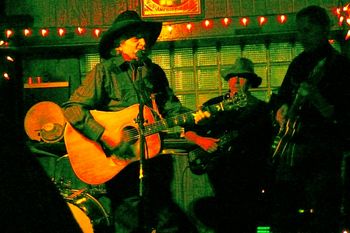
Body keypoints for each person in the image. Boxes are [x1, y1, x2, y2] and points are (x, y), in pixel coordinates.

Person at [62, 10, 198, 233]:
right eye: (136, 38)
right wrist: (105, 135)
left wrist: (196, 116)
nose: (143, 42)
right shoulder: (105, 71)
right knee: (129, 220)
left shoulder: (154, 72)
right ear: (120, 44)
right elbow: (73, 108)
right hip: (119, 158)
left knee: (165, 221)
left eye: (144, 37)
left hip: (152, 159)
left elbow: (170, 107)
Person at [269, 5, 350, 233]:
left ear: (325, 29)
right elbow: (281, 96)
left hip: (323, 153)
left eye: (309, 30)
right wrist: (280, 108)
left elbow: (343, 117)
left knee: (325, 216)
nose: (302, 37)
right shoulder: (299, 63)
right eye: (300, 31)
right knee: (283, 215)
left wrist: (318, 99)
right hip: (292, 150)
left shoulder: (341, 67)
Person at [184, 57, 274, 233]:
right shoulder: (214, 105)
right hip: (220, 170)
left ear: (250, 82)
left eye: (242, 76)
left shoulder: (261, 109)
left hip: (250, 172)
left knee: (248, 219)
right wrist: (202, 141)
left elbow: (266, 142)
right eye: (233, 76)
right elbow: (188, 130)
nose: (237, 80)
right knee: (225, 215)